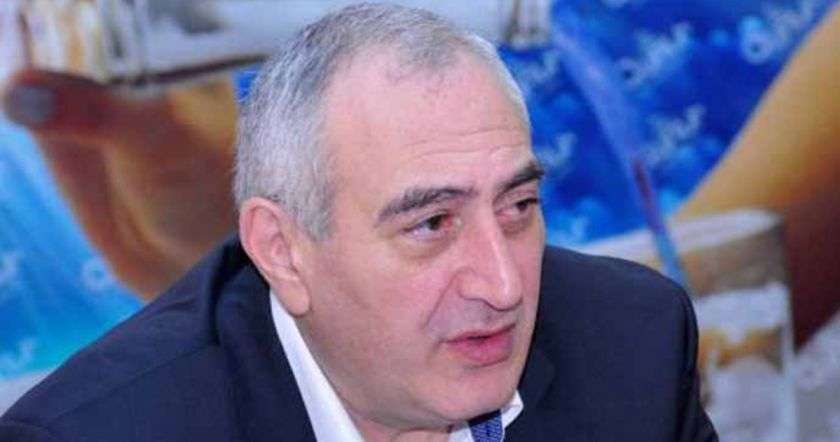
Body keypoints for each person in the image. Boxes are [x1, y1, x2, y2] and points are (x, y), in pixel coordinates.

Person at [0, 4, 717, 441]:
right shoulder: (96, 434)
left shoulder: (633, 340)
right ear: (282, 251)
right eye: (432, 224)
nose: (504, 285)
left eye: (518, 207)